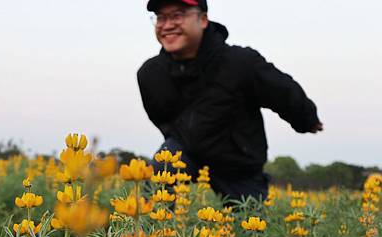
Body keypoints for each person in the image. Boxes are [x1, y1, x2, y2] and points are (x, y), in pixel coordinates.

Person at [137, 0, 323, 202]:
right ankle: (153, 231)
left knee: (252, 226)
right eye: (161, 18)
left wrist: (306, 119)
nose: (167, 25)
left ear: (203, 20)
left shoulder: (240, 62)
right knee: (159, 172)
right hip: (187, 153)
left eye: (177, 15)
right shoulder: (150, 74)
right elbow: (163, 121)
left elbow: (282, 90)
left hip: (237, 164)